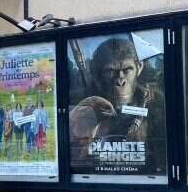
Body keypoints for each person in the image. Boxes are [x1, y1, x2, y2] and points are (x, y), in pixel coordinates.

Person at [69, 36, 165, 175]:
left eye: (127, 70)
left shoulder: (154, 101)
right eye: (110, 71)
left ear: (139, 67)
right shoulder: (83, 101)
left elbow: (164, 153)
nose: (120, 81)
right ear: (98, 74)